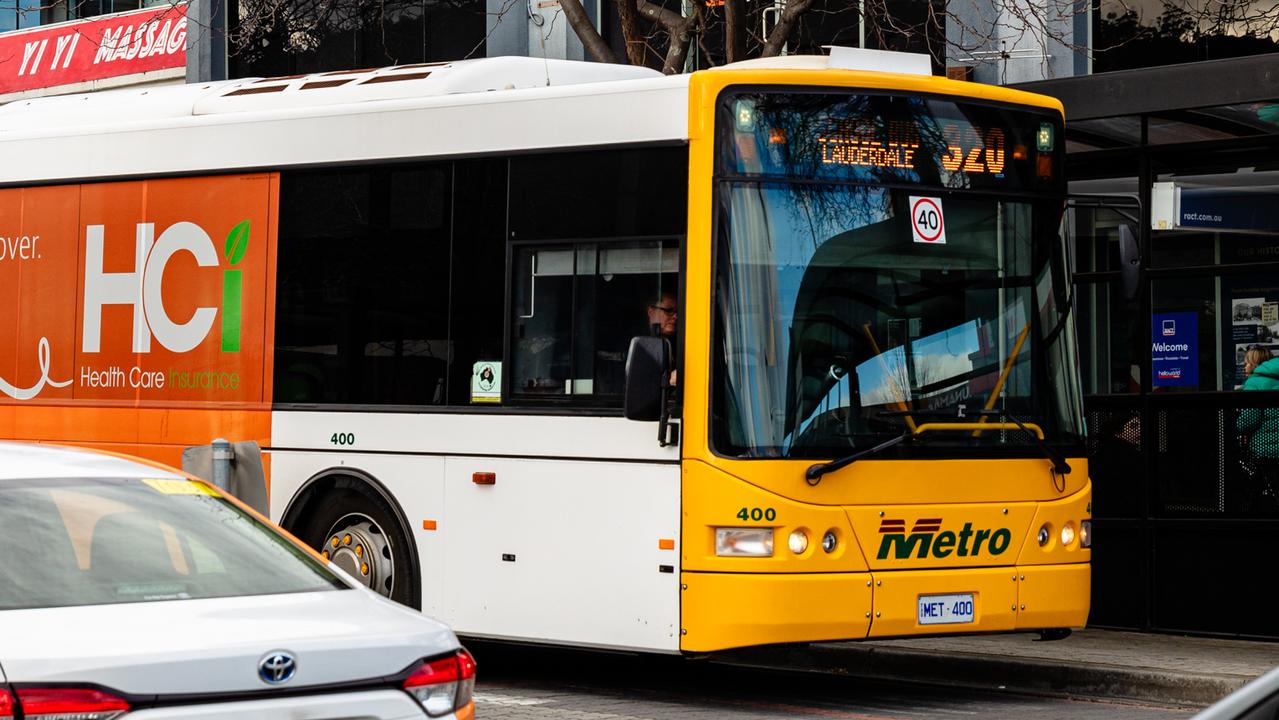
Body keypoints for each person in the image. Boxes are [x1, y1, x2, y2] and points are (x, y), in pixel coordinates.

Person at [1238, 346, 1279, 511]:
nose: (1244, 366)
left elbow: (1250, 419)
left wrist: (1236, 425)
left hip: (1266, 449)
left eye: (1247, 362)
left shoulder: (1254, 382)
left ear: (1255, 364)